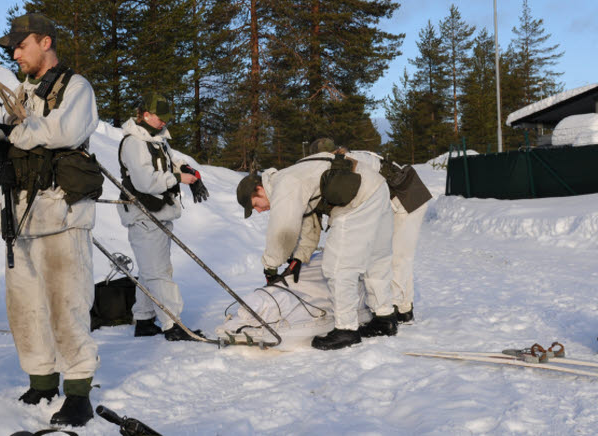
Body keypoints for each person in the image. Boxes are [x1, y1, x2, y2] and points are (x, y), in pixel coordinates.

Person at [0, 12, 100, 427]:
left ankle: (78, 390)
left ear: (44, 41)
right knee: (24, 305)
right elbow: (10, 143)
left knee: (67, 304)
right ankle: (42, 379)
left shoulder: (75, 88)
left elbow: (62, 131)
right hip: (18, 212)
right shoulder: (17, 94)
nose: (14, 54)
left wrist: (15, 133)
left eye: (20, 46)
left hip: (59, 211)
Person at [235, 148, 396, 351]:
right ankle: (385, 318)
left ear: (258, 189)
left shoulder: (284, 185)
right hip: (377, 189)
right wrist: (299, 258)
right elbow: (310, 223)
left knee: (338, 266)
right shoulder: (295, 176)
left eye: (254, 205)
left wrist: (270, 266)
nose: (258, 210)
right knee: (376, 259)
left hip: (358, 200)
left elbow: (283, 232)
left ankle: (346, 330)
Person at [116, 94, 208, 340]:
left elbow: (171, 163)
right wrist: (178, 179)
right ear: (145, 114)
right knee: (159, 271)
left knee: (150, 270)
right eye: (160, 118)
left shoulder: (157, 140)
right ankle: (173, 325)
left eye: (166, 119)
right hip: (143, 214)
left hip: (159, 212)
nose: (164, 123)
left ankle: (144, 320)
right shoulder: (134, 143)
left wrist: (188, 171)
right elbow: (145, 181)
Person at [312, 138, 432, 323]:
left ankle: (401, 309)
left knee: (398, 257)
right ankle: (400, 307)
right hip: (395, 201)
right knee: (386, 255)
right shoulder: (347, 160)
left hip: (407, 199)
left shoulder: (351, 161)